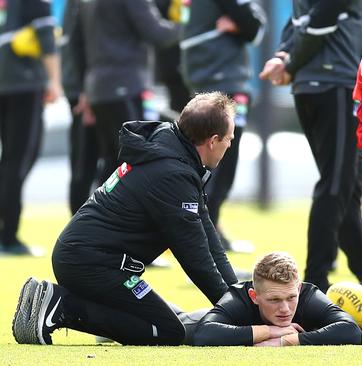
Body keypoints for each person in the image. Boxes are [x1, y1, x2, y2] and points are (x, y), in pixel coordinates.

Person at [12, 92, 239, 346]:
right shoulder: (173, 173)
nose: (229, 145)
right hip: (91, 265)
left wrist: (238, 297)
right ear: (213, 140)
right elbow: (195, 257)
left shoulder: (175, 152)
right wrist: (234, 311)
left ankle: (106, 318)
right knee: (168, 331)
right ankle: (61, 305)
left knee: (171, 318)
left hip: (90, 259)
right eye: (229, 139)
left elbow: (208, 237)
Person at [259, 0, 362, 299]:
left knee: (347, 185)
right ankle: (314, 280)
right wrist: (289, 64)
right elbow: (322, 17)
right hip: (335, 83)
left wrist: (284, 55)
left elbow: (298, 20)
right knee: (338, 183)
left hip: (314, 85)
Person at [181, 0, 265, 250]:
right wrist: (242, 25)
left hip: (200, 74)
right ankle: (205, 239)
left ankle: (209, 232)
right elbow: (256, 28)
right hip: (223, 76)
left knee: (205, 159)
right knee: (221, 159)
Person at [70, 0, 181, 184]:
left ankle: (100, 211)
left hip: (99, 90)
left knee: (114, 162)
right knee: (135, 161)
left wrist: (86, 89)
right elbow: (158, 34)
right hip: (127, 86)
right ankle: (109, 211)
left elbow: (76, 45)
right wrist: (186, 25)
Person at [192, 252, 362, 346]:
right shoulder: (238, 298)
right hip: (188, 320)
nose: (285, 309)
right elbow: (204, 334)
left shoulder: (308, 296)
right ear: (254, 296)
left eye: (291, 297)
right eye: (274, 300)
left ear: (299, 289)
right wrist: (272, 331)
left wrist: (285, 340)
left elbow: (351, 330)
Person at [0, 0, 63, 255]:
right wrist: (55, 82)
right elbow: (46, 37)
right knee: (19, 159)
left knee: (9, 163)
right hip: (23, 85)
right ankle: (9, 237)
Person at [61, 0, 99, 215]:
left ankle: (82, 222)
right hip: (85, 90)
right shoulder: (82, 4)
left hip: (85, 86)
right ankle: (79, 223)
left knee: (84, 160)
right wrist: (85, 91)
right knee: (85, 161)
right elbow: (77, 45)